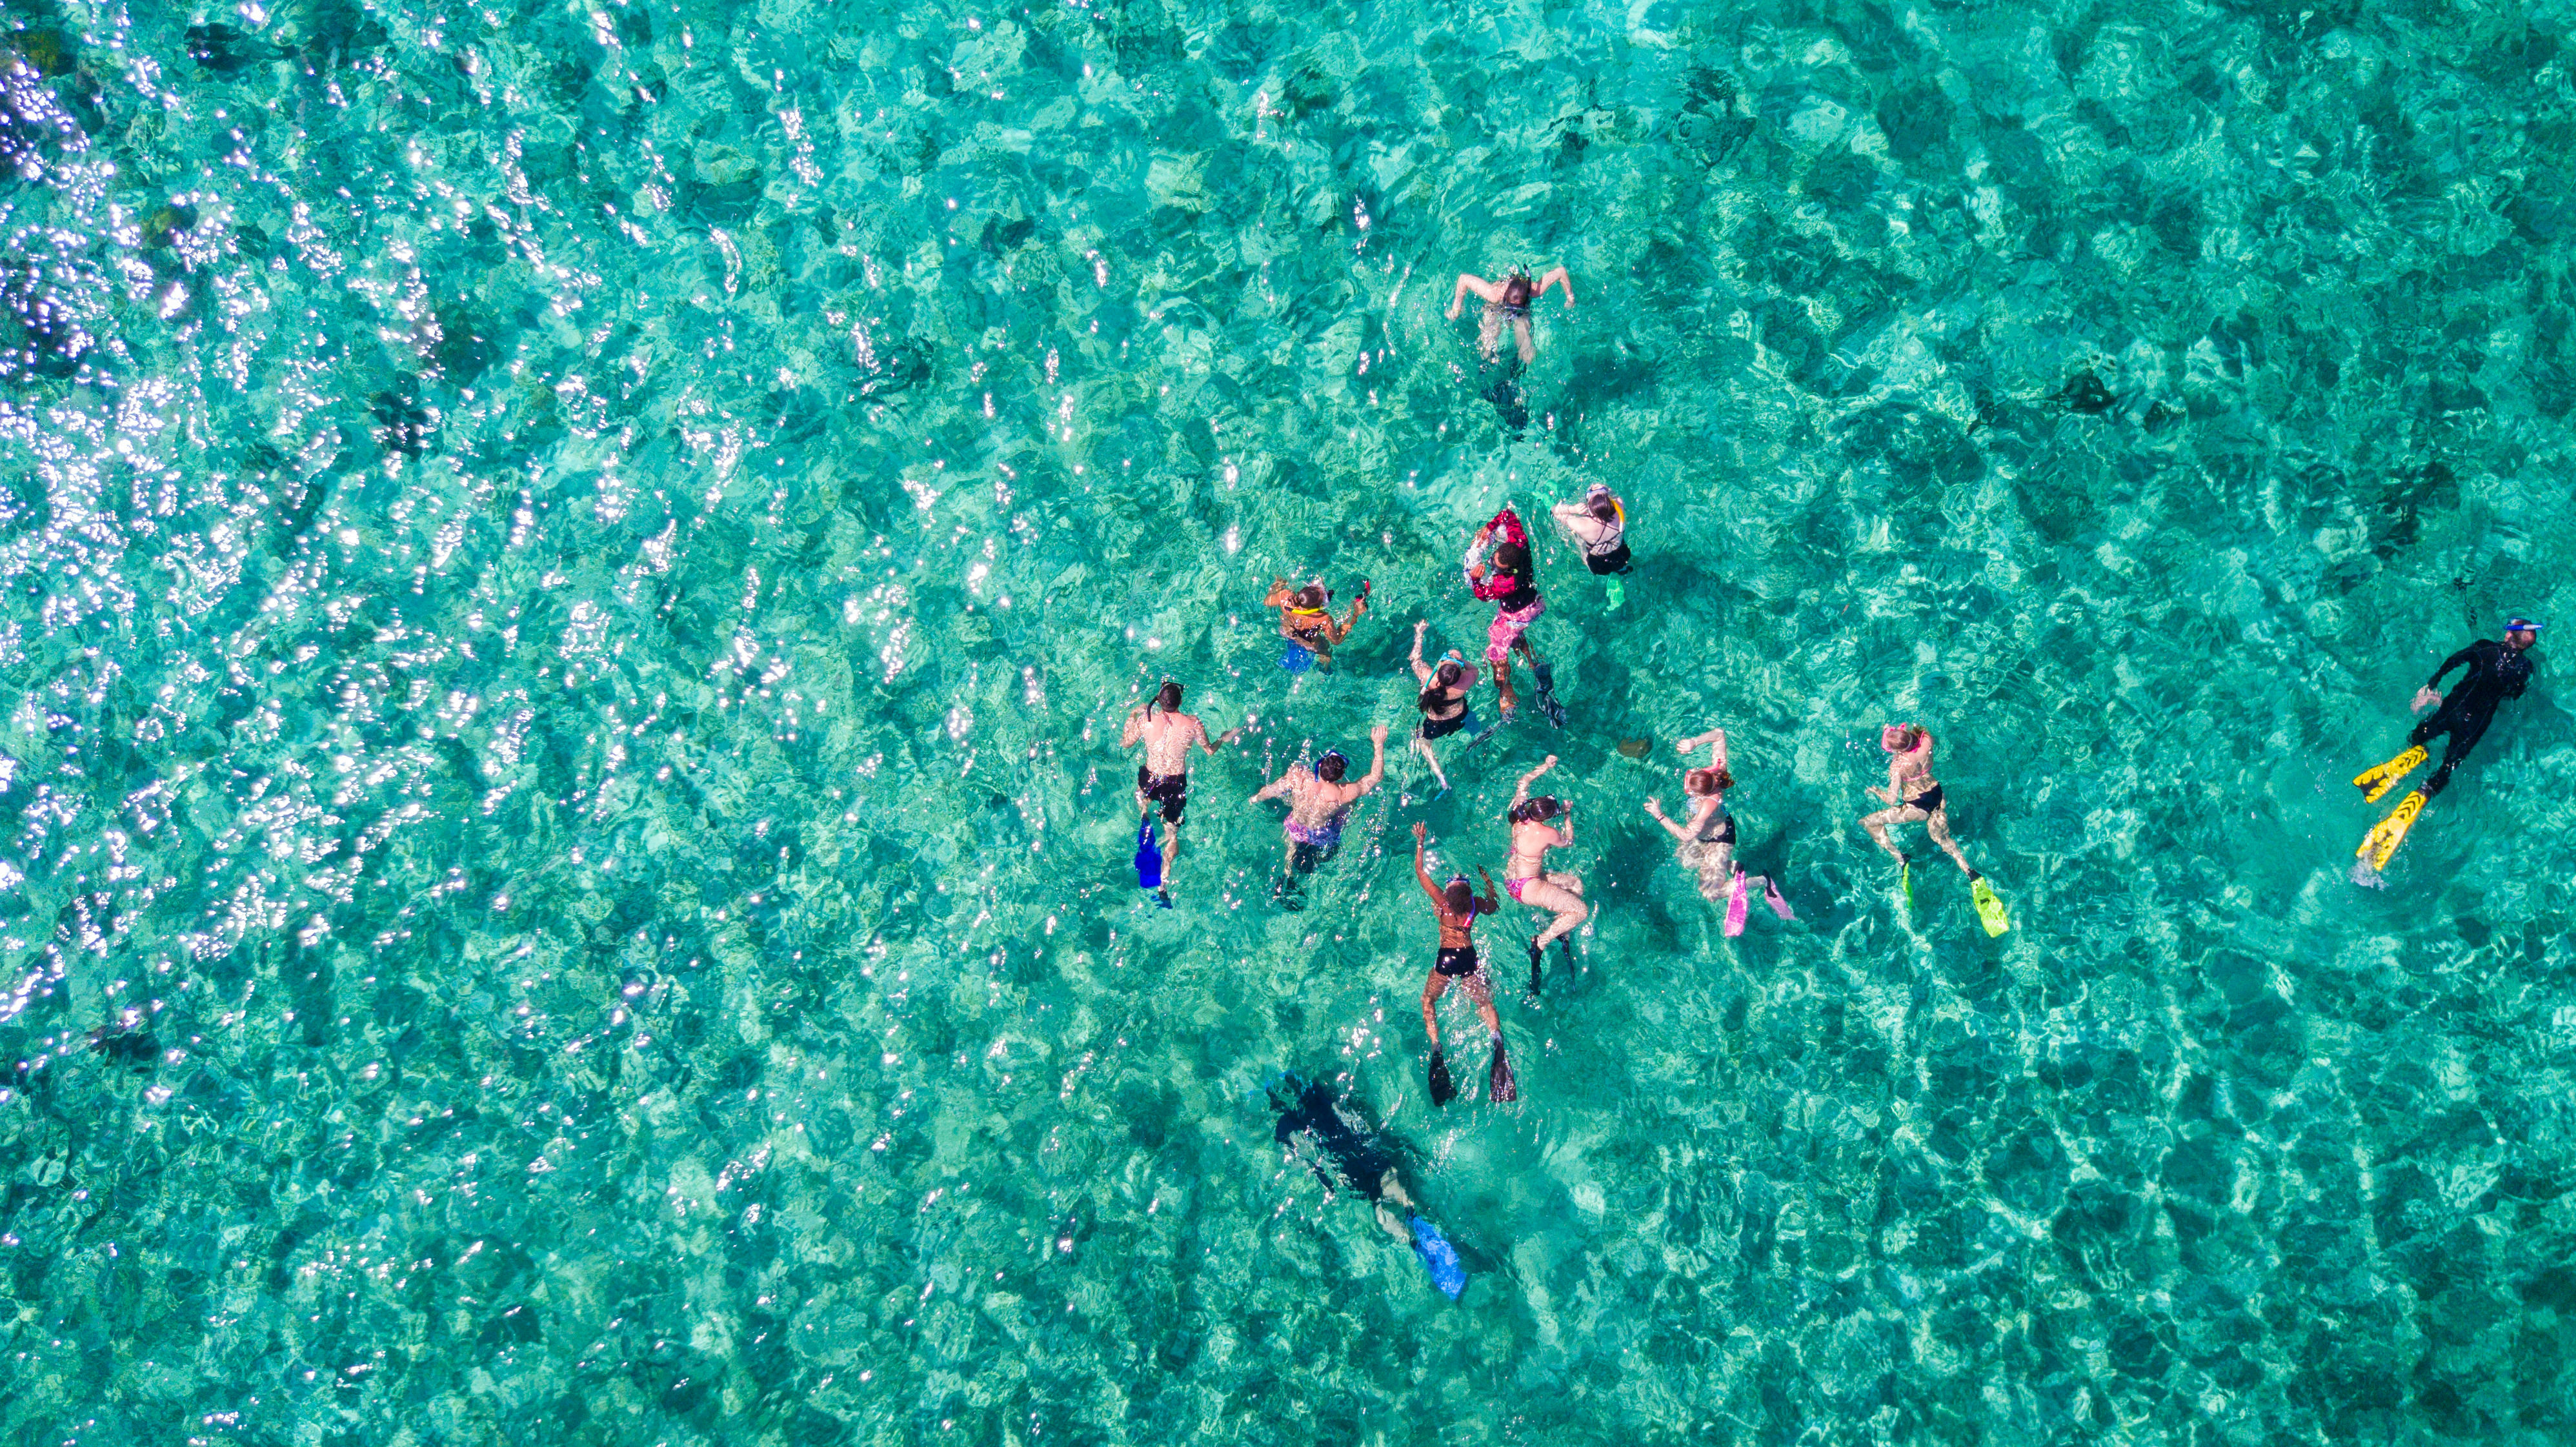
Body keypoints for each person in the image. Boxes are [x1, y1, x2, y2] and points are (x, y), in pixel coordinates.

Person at [2355, 617, 2542, 871]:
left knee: (2420, 735)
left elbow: (2452, 662)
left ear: (2510, 636)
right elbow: (2514, 694)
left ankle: (2416, 752)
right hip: (2474, 726)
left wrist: (2430, 687)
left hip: (2451, 709)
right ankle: (2424, 792)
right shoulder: (2525, 669)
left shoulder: (2485, 648)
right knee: (2449, 766)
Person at [1269, 1074, 1467, 1299]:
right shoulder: (1316, 1091)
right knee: (1391, 1195)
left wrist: (1323, 1179)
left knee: (1381, 1205)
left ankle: (1413, 1237)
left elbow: (1304, 1157)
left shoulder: (1286, 1122)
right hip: (1365, 1153)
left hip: (1354, 1168)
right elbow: (1343, 1102)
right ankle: (1414, 1224)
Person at [1643, 727, 1791, 933]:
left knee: (1711, 894)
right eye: (1690, 776)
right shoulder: (1717, 771)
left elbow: (1687, 834)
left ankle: (1763, 880)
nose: (1686, 785)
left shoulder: (1706, 807)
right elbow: (1720, 734)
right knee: (1686, 861)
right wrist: (1694, 742)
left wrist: (1660, 815)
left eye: (1690, 788)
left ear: (1700, 794)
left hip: (1719, 841)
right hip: (1709, 835)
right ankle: (1732, 866)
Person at [1411, 822, 1510, 1105]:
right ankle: (1497, 1041)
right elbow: (1495, 903)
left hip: (1446, 958)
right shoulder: (1475, 905)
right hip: (1468, 957)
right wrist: (1487, 879)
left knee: (1428, 1000)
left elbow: (1420, 872)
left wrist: (1420, 842)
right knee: (1484, 1004)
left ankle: (1437, 1046)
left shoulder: (1441, 903)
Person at [1120, 680, 1245, 900]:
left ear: (1159, 700)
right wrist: (1223, 739)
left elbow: (1126, 743)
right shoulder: (1193, 723)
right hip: (1174, 784)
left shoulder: (1146, 721)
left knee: (1144, 797)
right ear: (1180, 701)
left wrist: (1132, 714)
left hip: (1151, 778)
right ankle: (1163, 883)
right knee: (1172, 836)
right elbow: (1208, 751)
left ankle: (1144, 814)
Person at [1253, 724, 1389, 881]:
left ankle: (1287, 874)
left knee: (1291, 849)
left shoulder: (1300, 777)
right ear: (1339, 777)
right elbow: (1375, 777)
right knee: (1348, 807)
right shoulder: (1343, 793)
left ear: (1320, 765)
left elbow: (1273, 790)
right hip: (1319, 835)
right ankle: (1311, 870)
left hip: (1295, 826)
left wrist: (1255, 798)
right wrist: (1379, 744)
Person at [1504, 754, 1587, 995]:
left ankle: (1564, 932)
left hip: (1514, 880)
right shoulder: (1547, 832)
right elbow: (1569, 842)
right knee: (1580, 910)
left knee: (1575, 884)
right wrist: (1568, 815)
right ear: (1548, 817)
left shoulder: (1519, 814)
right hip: (1530, 888)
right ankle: (1542, 941)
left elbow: (1523, 782)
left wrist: (1545, 767)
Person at [1858, 722, 1981, 882]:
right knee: (1943, 839)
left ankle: (1901, 858)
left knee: (1868, 822)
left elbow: (1890, 800)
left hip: (1917, 806)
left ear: (1900, 751)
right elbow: (1915, 734)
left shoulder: (1898, 767)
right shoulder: (1926, 740)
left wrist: (1876, 791)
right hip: (1937, 794)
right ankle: (1970, 872)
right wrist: (1895, 734)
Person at [1464, 508, 1555, 723]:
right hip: (1535, 604)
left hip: (1514, 613)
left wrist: (1477, 580)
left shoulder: (1505, 583)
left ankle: (1506, 691)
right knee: (1517, 635)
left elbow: (1484, 596)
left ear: (1507, 570)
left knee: (1496, 651)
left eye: (1495, 565)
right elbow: (1508, 514)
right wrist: (1491, 525)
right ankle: (1535, 665)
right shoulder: (1520, 543)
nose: (1491, 563)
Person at [1409, 621, 1484, 793]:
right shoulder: (1466, 681)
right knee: (1475, 731)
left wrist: (1419, 633)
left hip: (1436, 724)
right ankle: (1479, 750)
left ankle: (1442, 778)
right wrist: (1460, 660)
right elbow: (1474, 669)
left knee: (1425, 746)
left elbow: (1415, 659)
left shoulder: (1429, 678)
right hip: (1460, 715)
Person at [1446, 265, 1575, 365]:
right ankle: (1487, 370)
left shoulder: (1534, 289)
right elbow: (1464, 279)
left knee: (1528, 354)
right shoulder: (1494, 293)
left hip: (1522, 312)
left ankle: (1523, 377)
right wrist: (1456, 308)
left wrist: (1570, 297)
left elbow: (1561, 272)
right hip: (1496, 307)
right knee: (1487, 347)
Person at [1548, 483, 1631, 608]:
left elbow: (1555, 512)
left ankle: (1612, 579)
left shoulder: (1583, 526)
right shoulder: (1620, 505)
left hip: (1598, 565)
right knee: (1618, 565)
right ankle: (1619, 572)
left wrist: (1573, 509)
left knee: (1576, 540)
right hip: (1622, 554)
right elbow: (1614, 495)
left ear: (1591, 512)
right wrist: (1604, 488)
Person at [1262, 577, 1369, 672]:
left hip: (1287, 633)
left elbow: (1267, 602)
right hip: (1309, 645)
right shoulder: (1322, 618)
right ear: (1318, 607)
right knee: (1326, 650)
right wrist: (1355, 614)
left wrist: (1278, 585)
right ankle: (1323, 675)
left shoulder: (1286, 596)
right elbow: (1336, 640)